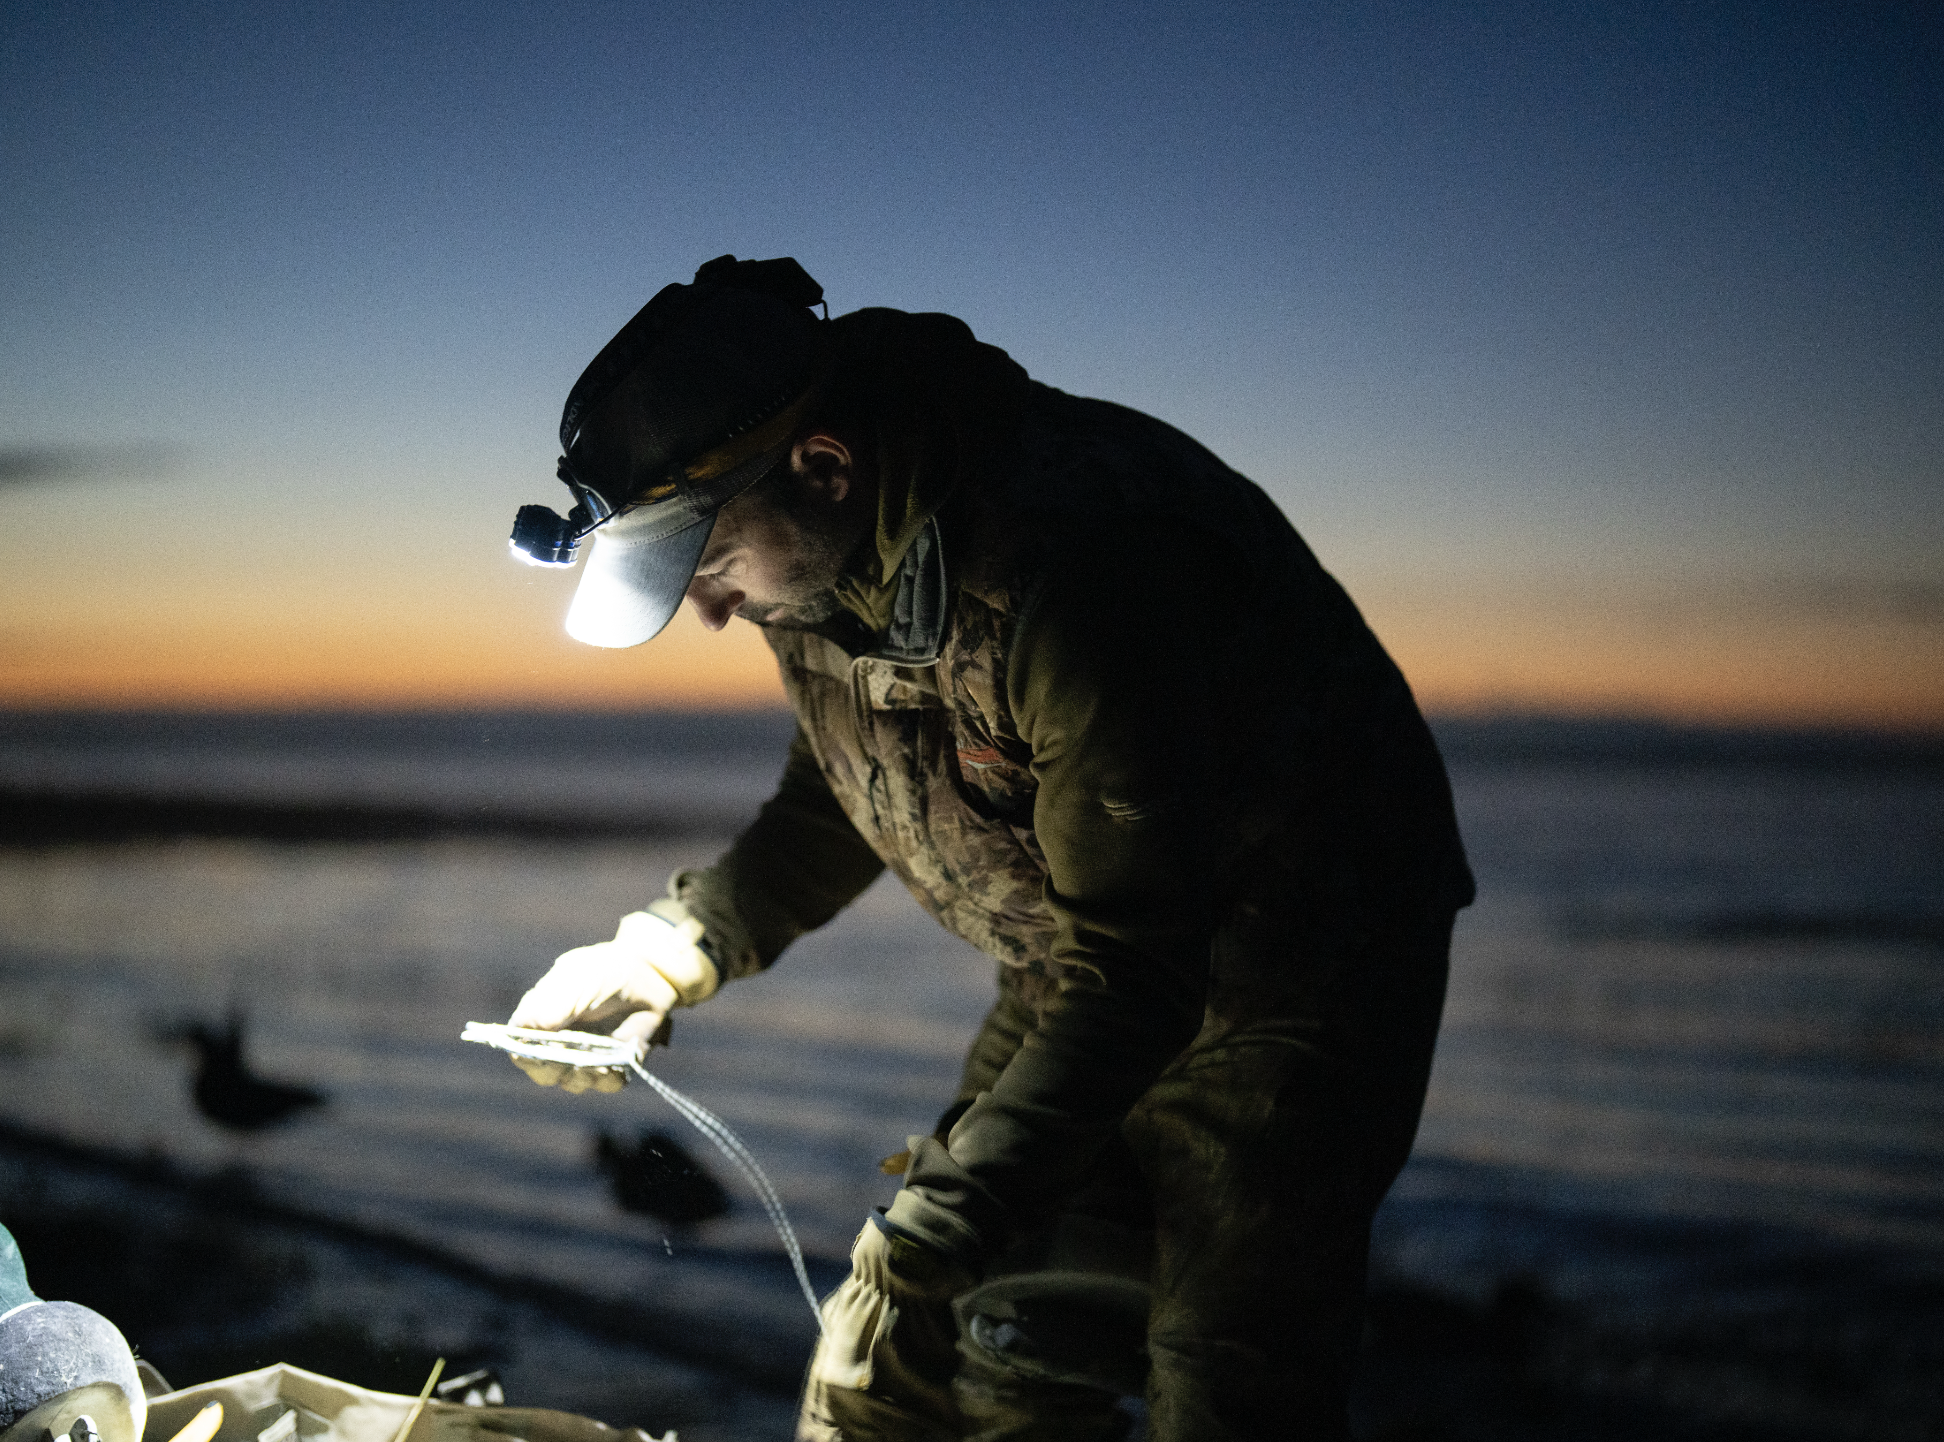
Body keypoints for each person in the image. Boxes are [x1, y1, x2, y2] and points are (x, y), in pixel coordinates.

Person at [503, 255, 1474, 1442]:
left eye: (706, 563)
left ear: (822, 465)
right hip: (1080, 964)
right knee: (978, 1349)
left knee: (1224, 1371)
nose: (707, 609)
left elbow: (1142, 968)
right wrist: (677, 941)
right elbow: (845, 786)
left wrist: (944, 1213)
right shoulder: (809, 561)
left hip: (1297, 963)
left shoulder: (1077, 566)